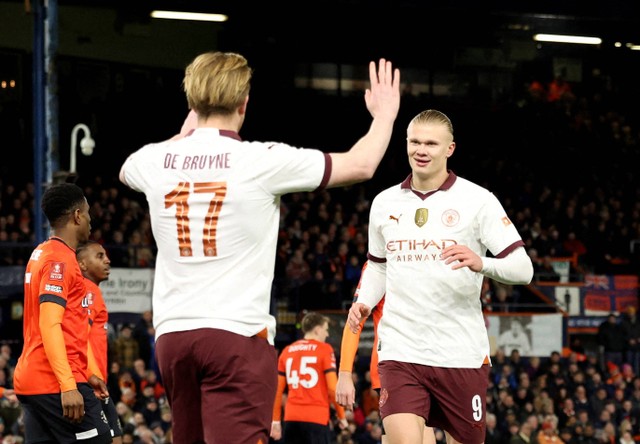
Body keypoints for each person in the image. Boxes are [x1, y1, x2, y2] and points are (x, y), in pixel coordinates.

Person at [118, 51, 400, 443]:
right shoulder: (260, 160)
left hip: (173, 339)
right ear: (244, 103)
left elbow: (126, 168)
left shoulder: (154, 160)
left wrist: (184, 136)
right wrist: (385, 116)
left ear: (191, 103)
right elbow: (361, 164)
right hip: (235, 339)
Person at [347, 109, 534, 444]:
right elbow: (378, 265)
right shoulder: (384, 202)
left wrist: (483, 263)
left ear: (450, 148)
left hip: (460, 353)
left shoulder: (478, 201)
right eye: (415, 141)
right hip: (400, 350)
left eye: (431, 143)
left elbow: (524, 269)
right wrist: (364, 301)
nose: (421, 149)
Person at [13, 183, 112, 443]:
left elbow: (66, 325)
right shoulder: (60, 260)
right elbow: (50, 324)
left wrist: (88, 373)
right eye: (88, 212)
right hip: (53, 382)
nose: (91, 219)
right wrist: (69, 385)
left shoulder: (42, 251)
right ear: (77, 215)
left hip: (34, 381)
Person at [336, 262, 436, 443]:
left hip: (427, 366)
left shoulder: (430, 256)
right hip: (393, 367)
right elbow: (355, 320)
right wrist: (344, 373)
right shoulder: (381, 263)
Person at [270, 312, 348, 443]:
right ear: (317, 330)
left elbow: (277, 391)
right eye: (326, 330)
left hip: (291, 419)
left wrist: (276, 420)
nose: (327, 334)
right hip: (316, 418)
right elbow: (332, 388)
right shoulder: (324, 349)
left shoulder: (287, 351)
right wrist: (341, 416)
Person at [77, 240, 124, 443]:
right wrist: (90, 378)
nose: (107, 260)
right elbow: (79, 340)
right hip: (89, 386)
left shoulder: (92, 291)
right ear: (82, 264)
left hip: (97, 385)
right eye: (99, 256)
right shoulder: (88, 291)